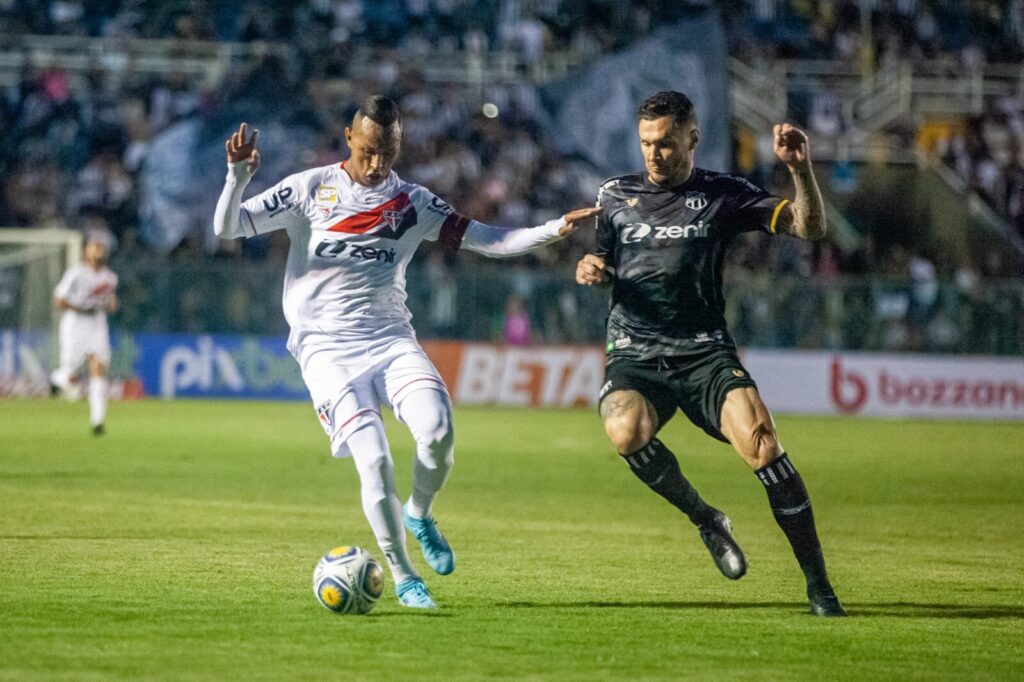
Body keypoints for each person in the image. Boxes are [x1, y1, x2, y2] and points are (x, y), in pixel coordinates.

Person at [213, 96, 599, 609]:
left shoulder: (412, 203)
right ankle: (403, 575)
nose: (376, 165)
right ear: (349, 139)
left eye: (387, 155)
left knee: (438, 432)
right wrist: (237, 176)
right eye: (368, 151)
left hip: (391, 339)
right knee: (373, 460)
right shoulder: (309, 189)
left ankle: (419, 512)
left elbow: (485, 239)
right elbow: (228, 227)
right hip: (325, 349)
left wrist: (551, 229)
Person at [575, 91, 845, 617]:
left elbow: (809, 229)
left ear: (692, 139)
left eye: (667, 144)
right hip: (636, 350)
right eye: (647, 144)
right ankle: (707, 520)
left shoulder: (723, 194)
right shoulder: (614, 196)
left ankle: (819, 586)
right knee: (623, 430)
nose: (655, 154)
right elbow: (602, 261)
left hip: (704, 352)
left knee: (763, 444)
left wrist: (801, 169)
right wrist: (591, 270)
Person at [49, 231, 119, 436]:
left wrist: (111, 305)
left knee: (99, 368)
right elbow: (58, 300)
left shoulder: (110, 278)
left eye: (101, 246)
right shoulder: (76, 273)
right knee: (70, 376)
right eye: (95, 246)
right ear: (86, 250)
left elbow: (110, 302)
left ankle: (98, 421)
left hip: (97, 325)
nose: (98, 250)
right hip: (75, 325)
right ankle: (56, 380)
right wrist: (80, 308)